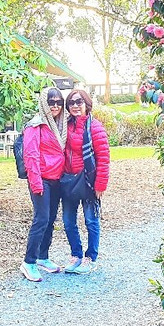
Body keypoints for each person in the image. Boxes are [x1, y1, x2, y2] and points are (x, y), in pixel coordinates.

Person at [20, 87, 68, 282]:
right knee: (41, 219)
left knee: (50, 220)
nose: (55, 106)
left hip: (57, 179)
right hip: (41, 179)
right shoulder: (35, 125)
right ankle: (29, 262)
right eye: (51, 102)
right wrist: (36, 183)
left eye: (59, 102)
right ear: (44, 104)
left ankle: (42, 257)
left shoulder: (60, 125)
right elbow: (31, 155)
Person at [61, 88, 110, 275]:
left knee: (91, 220)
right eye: (71, 102)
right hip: (68, 179)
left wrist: (100, 184)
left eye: (79, 102)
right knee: (68, 221)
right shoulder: (65, 126)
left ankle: (90, 257)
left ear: (87, 104)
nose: (75, 105)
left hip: (88, 180)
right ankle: (76, 255)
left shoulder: (95, 127)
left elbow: (103, 158)